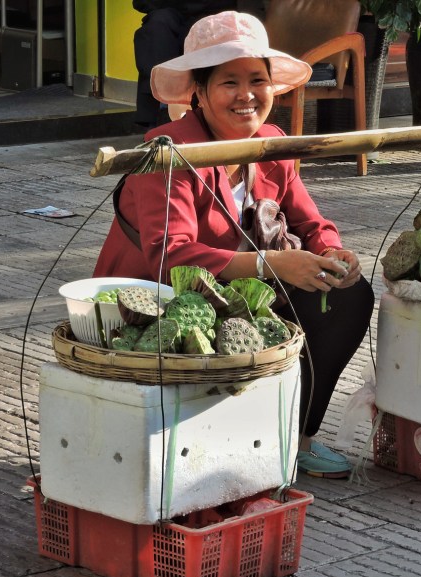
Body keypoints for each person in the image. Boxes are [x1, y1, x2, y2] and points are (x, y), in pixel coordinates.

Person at [94, 11, 374, 479]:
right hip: (159, 305)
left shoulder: (270, 143)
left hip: (237, 290)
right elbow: (170, 256)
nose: (247, 96)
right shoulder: (167, 150)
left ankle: (298, 436)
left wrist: (331, 252)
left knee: (347, 294)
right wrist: (271, 264)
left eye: (257, 81)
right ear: (198, 93)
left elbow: (309, 219)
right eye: (229, 82)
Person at [132, 0, 237, 128]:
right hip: (172, 12)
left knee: (206, 29)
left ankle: (203, 111)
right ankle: (163, 106)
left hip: (217, 15)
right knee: (157, 26)